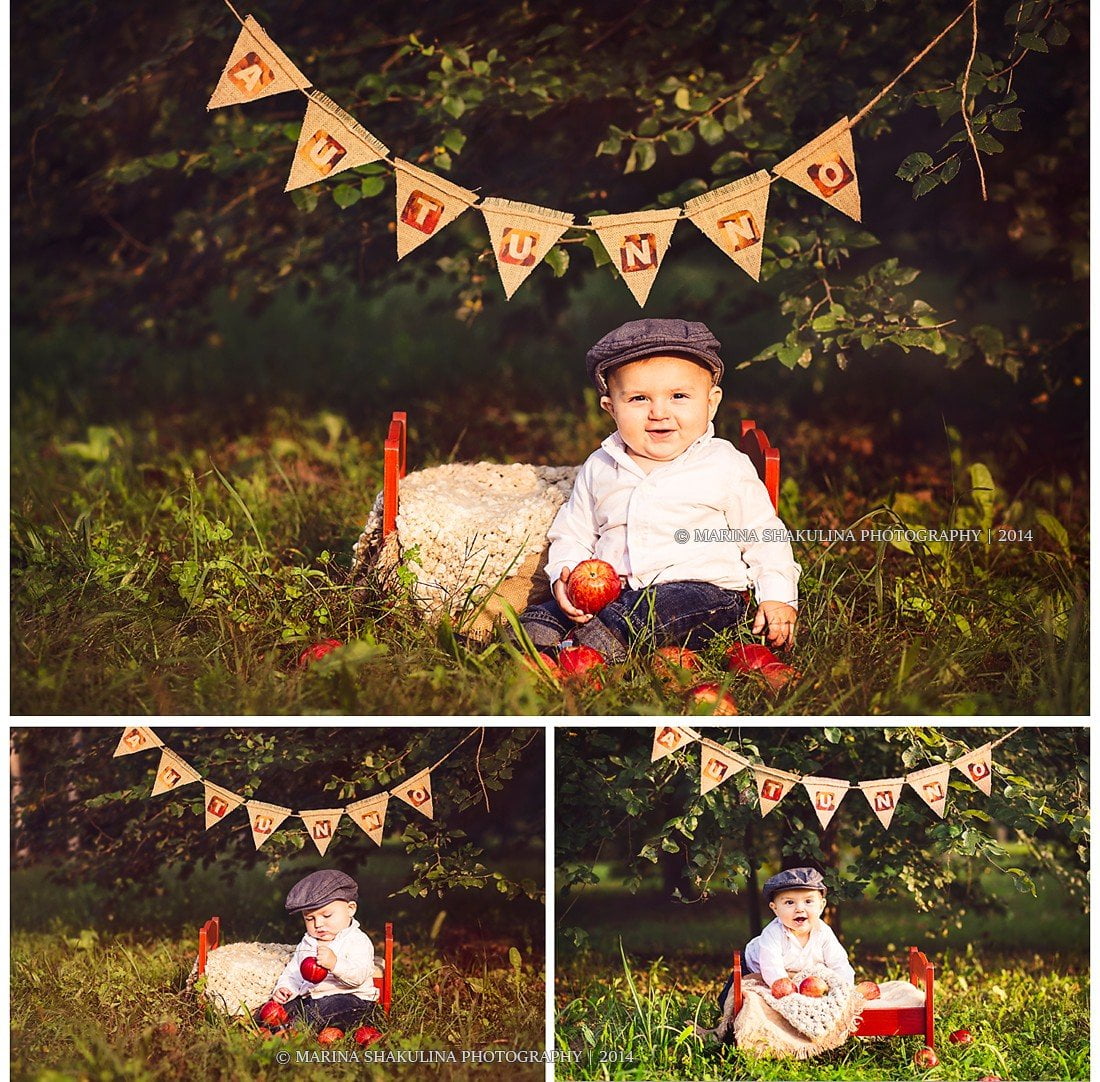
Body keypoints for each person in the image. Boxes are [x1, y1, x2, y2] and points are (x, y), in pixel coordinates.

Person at [518, 318, 800, 661]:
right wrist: (565, 576)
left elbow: (763, 533)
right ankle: (540, 641)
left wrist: (778, 596)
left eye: (679, 396)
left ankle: (585, 650)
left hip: (704, 593)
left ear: (711, 403)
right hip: (614, 591)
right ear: (611, 408)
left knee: (657, 609)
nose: (659, 413)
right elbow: (574, 531)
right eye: (639, 399)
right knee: (544, 614)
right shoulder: (600, 466)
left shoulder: (723, 464)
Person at [254, 869, 381, 1036]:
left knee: (326, 1007)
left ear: (350, 909)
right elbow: (293, 971)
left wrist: (335, 964)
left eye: (327, 915)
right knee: (287, 1007)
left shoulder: (357, 940)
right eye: (309, 918)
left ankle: (291, 1032)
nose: (318, 924)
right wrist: (285, 988)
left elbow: (359, 976)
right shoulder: (308, 942)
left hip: (352, 999)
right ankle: (268, 1025)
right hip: (312, 999)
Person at [719, 867, 854, 1010]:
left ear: (821, 905)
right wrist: (788, 995)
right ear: (775, 909)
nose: (799, 909)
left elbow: (839, 963)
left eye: (808, 901)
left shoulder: (823, 933)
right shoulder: (773, 933)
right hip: (757, 969)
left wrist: (845, 988)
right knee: (736, 1001)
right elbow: (772, 969)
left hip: (798, 974)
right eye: (789, 902)